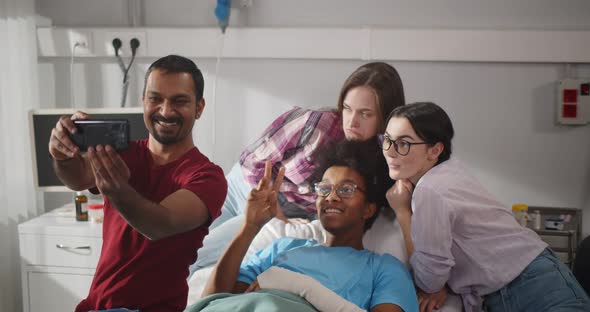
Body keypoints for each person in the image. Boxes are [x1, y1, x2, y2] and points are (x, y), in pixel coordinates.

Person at [48, 55, 228, 312]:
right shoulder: (122, 153)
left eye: (179, 101)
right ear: (143, 102)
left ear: (199, 108)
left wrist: (117, 190)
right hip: (96, 305)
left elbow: (159, 224)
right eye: (155, 99)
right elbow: (77, 178)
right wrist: (61, 155)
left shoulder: (208, 177)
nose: (166, 111)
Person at [192, 62, 405, 272]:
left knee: (216, 257)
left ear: (386, 119)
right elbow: (251, 164)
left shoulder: (386, 157)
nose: (351, 122)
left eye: (365, 114)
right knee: (194, 252)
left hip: (291, 209)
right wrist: (274, 211)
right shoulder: (316, 127)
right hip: (247, 188)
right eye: (348, 109)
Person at [381, 102, 590, 312]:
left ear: (435, 150)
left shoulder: (429, 190)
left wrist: (402, 212)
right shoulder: (450, 168)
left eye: (403, 143)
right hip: (526, 280)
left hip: (532, 288)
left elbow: (428, 281)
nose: (390, 151)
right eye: (387, 140)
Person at [194, 141, 418, 312]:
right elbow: (212, 299)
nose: (332, 197)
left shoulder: (383, 269)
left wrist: (299, 286)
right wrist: (249, 227)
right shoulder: (283, 247)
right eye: (324, 189)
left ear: (368, 209)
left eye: (346, 190)